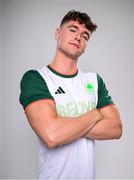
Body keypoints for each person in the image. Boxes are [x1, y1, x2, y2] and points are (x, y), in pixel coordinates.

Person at [19, 10, 122, 180]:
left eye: (85, 35)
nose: (78, 37)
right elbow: (52, 135)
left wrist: (63, 124)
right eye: (73, 29)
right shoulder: (36, 78)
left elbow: (116, 129)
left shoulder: (94, 81)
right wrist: (96, 114)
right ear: (57, 33)